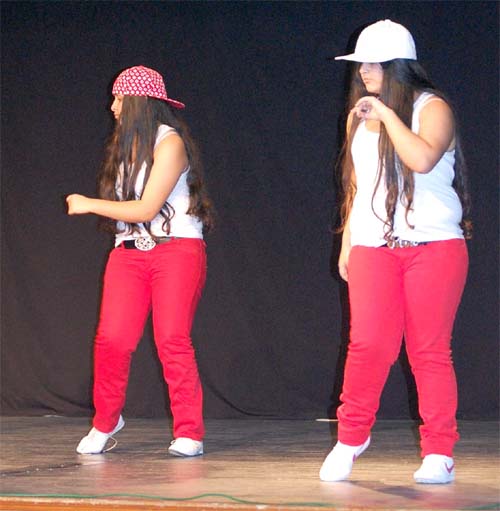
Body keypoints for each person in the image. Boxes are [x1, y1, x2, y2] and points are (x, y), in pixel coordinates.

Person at [320, 20, 471, 484]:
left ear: (398, 66)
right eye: (361, 64)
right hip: (374, 247)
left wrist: (386, 115)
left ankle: (439, 452)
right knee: (368, 346)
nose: (363, 72)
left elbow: (421, 159)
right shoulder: (357, 118)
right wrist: (348, 240)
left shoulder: (432, 107)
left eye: (373, 63)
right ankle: (350, 438)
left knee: (428, 350)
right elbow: (358, 185)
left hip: (433, 246)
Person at [67, 65, 214, 457]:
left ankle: (189, 431)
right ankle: (106, 421)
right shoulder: (124, 147)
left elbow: (147, 208)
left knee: (172, 339)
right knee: (112, 340)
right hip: (129, 252)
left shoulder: (170, 143)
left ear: (138, 103)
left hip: (176, 250)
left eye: (119, 98)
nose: (113, 106)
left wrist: (88, 204)